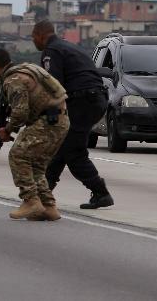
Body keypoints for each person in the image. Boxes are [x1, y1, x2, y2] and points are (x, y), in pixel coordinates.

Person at [32, 21, 113, 209]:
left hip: (83, 102)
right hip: (94, 99)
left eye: (33, 37)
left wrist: (49, 113)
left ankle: (101, 192)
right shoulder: (66, 46)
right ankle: (43, 194)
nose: (33, 41)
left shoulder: (51, 51)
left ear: (41, 35)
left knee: (73, 152)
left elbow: (53, 85)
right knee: (62, 147)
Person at [0, 48, 69, 221]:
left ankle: (31, 201)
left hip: (47, 122)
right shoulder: (26, 70)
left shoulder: (12, 80)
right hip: (60, 121)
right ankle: (48, 206)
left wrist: (7, 130)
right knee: (36, 164)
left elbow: (20, 113)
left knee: (17, 155)